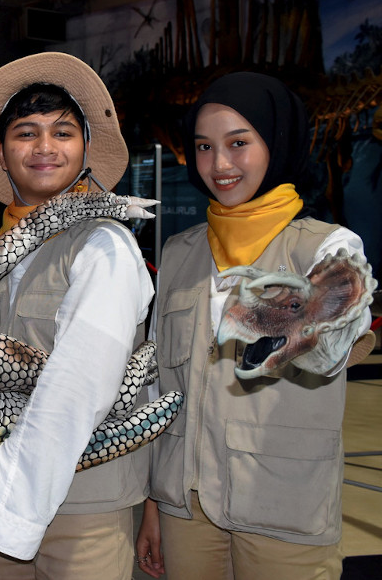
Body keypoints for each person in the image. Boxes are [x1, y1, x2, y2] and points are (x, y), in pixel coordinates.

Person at [134, 72, 374, 580]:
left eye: (238, 143)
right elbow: (157, 387)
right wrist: (155, 501)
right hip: (186, 508)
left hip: (283, 508)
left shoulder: (329, 250)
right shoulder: (180, 253)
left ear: (276, 142)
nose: (220, 164)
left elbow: (331, 348)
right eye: (204, 146)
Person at [0, 52, 155, 579]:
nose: (45, 148)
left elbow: (78, 386)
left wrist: (1, 480)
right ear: (1, 154)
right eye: (26, 133)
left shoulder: (103, 245)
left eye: (63, 132)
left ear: (85, 150)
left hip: (86, 509)